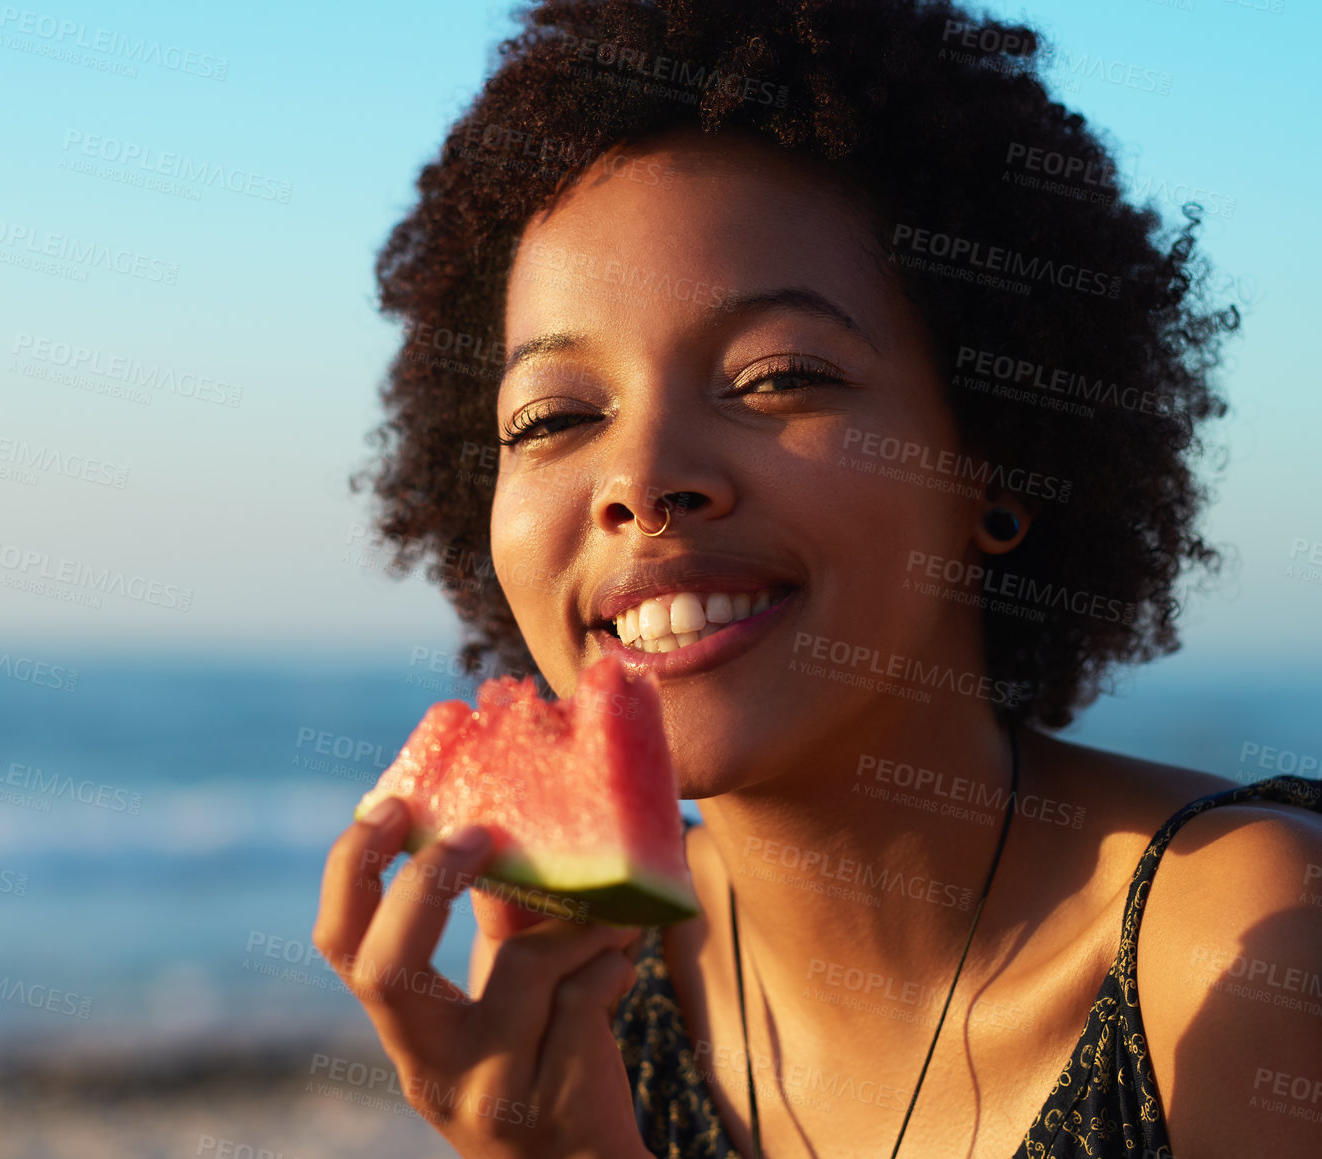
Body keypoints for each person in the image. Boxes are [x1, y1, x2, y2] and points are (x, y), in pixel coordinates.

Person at [313, 1, 1322, 1155]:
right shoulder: (581, 983)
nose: (641, 480)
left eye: (776, 378)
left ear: (998, 453)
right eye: (555, 416)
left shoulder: (1256, 942)